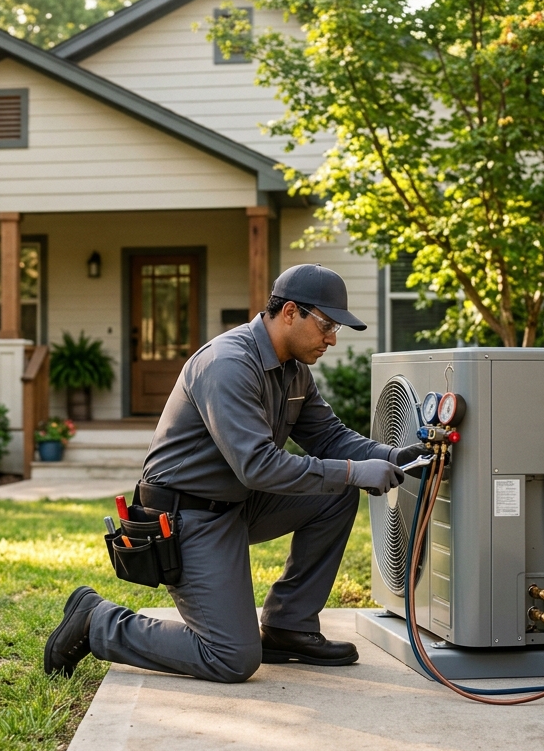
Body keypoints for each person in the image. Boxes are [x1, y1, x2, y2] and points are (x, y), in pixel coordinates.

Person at [44, 264, 426, 683]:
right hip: (186, 518)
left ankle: (288, 627)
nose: (332, 338)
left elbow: (329, 437)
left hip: (237, 504)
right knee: (231, 658)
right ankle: (96, 621)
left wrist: (391, 457)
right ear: (290, 312)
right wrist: (355, 470)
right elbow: (258, 465)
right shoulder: (227, 363)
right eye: (327, 325)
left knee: (335, 493)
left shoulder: (293, 370)